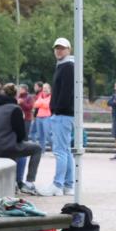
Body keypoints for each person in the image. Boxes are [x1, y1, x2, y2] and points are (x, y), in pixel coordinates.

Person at [0, 83, 43, 195]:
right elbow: (21, 135)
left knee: (13, 147)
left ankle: (12, 183)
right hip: (4, 147)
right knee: (36, 148)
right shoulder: (15, 109)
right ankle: (28, 184)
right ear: (16, 95)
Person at [38, 38, 75, 197]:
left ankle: (58, 184)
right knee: (66, 150)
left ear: (69, 50)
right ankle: (68, 185)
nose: (59, 51)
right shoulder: (66, 66)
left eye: (62, 48)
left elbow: (66, 92)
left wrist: (56, 110)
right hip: (64, 114)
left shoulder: (67, 67)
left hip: (62, 114)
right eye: (57, 48)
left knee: (60, 151)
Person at [32, 83, 53, 152]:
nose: (45, 89)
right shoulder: (40, 95)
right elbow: (35, 105)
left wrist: (40, 103)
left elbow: (47, 105)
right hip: (39, 117)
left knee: (48, 135)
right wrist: (42, 103)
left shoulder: (51, 96)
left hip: (47, 117)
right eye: (44, 88)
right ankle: (42, 151)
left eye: (46, 88)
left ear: (49, 89)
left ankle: (54, 149)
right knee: (40, 135)